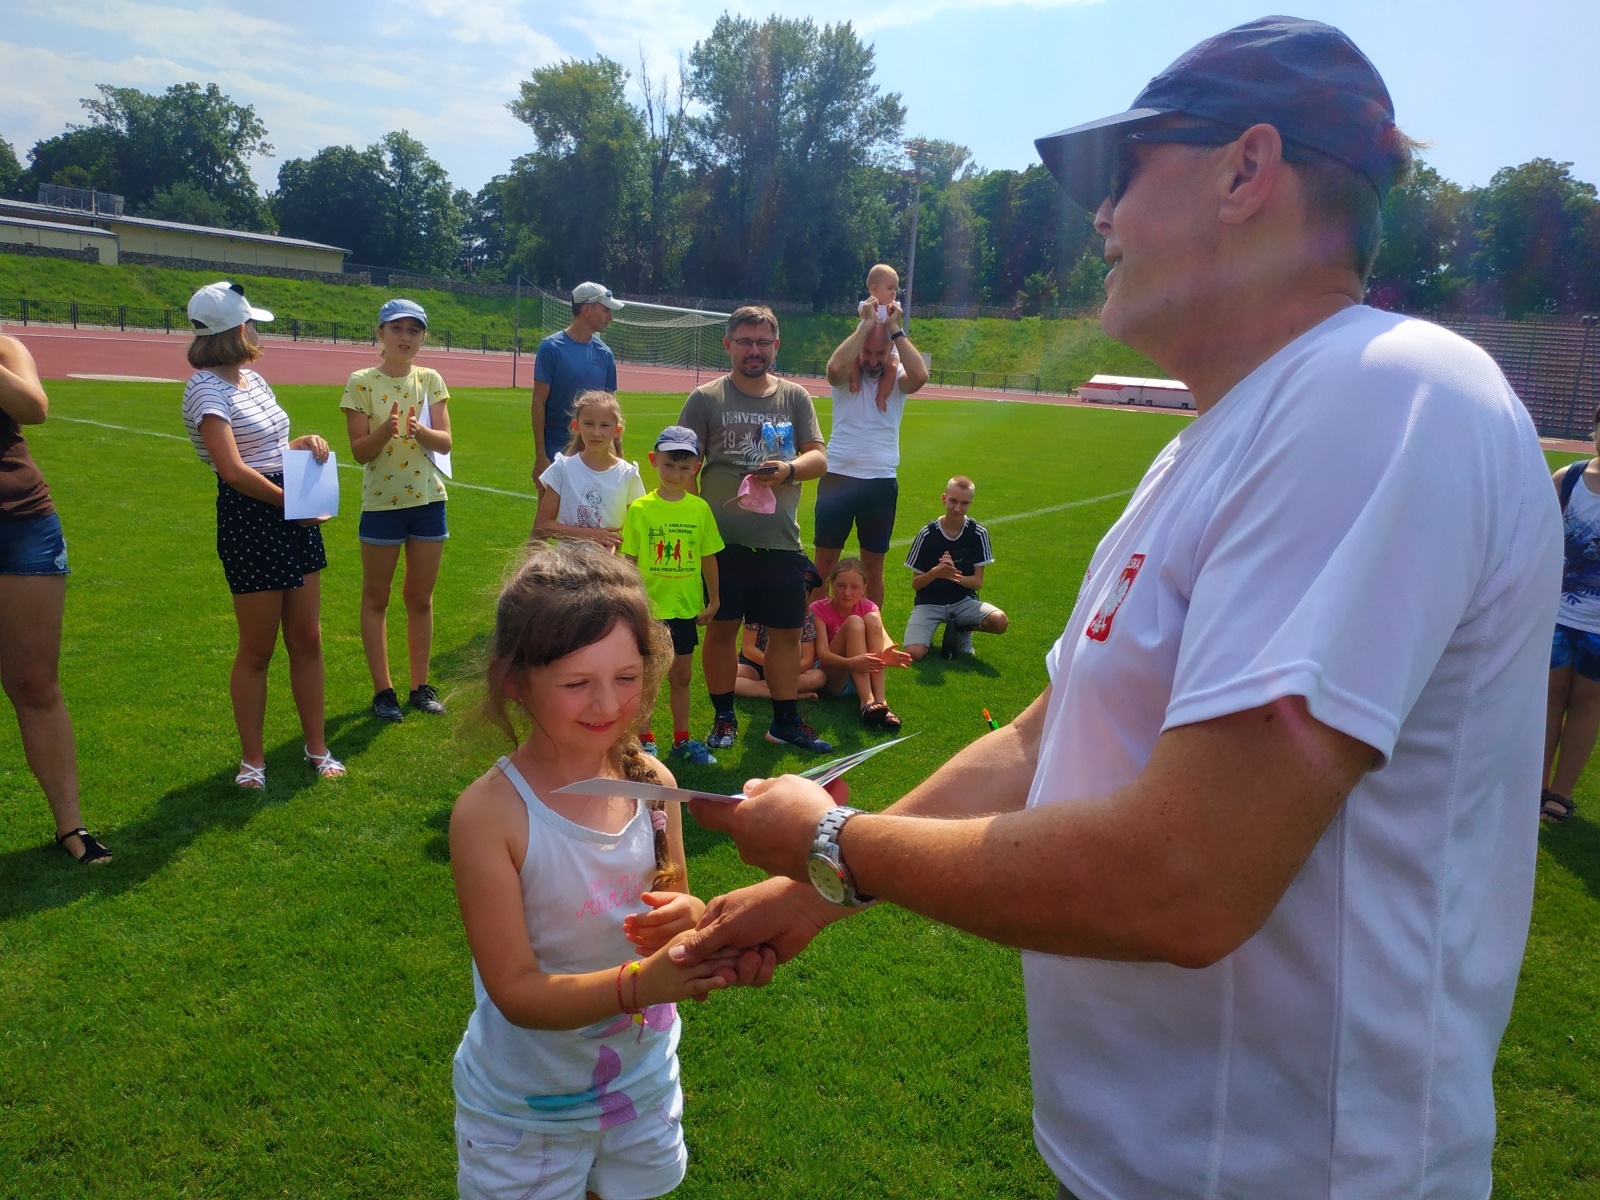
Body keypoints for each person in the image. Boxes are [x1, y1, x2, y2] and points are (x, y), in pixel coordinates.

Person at [672, 18, 1562, 1200]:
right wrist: (812, 893)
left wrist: (834, 840)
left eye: (1120, 177)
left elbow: (1188, 874)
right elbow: (1047, 734)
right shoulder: (1209, 445)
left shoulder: (1386, 392)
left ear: (1246, 169)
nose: (1098, 220)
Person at [448, 541, 734, 1200]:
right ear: (515, 683)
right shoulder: (491, 816)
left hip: (640, 1084)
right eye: (577, 683)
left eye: (627, 677)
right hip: (526, 1111)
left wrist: (689, 921)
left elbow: (674, 904)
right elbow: (517, 992)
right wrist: (643, 983)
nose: (608, 703)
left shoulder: (654, 783)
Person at [180, 281, 346, 788]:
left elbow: (272, 449)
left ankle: (317, 748)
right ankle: (253, 760)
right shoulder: (205, 388)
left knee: (308, 640)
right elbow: (231, 468)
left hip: (286, 508)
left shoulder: (254, 381)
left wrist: (305, 443)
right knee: (258, 648)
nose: (256, 331)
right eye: (251, 323)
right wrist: (289, 504)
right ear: (235, 330)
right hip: (252, 517)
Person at [678, 306, 832, 754]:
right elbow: (685, 464)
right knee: (722, 631)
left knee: (785, 634)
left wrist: (788, 469)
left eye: (763, 342)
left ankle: (785, 722)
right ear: (727, 345)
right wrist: (690, 520)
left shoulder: (795, 397)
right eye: (745, 341)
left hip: (781, 542)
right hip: (720, 545)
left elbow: (818, 458)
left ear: (776, 346)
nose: (754, 350)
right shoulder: (705, 398)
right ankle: (724, 719)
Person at [0, 331, 110, 864]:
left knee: (36, 685)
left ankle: (72, 828)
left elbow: (34, 407)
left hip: (21, 522)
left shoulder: (5, 347)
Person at [341, 298, 453, 724]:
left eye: (414, 330)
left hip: (428, 503)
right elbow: (357, 453)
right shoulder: (361, 382)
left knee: (420, 598)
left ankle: (420, 687)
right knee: (376, 598)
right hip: (382, 506)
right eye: (397, 328)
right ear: (380, 333)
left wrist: (420, 429)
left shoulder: (430, 379)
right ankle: (383, 690)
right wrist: (385, 431)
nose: (406, 337)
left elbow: (445, 442)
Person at [813, 290, 929, 606]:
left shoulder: (897, 381)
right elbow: (833, 369)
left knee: (873, 567)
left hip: (879, 481)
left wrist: (895, 329)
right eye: (867, 353)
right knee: (822, 564)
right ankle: (809, 633)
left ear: (891, 349)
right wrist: (865, 326)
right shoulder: (844, 378)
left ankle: (871, 631)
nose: (873, 361)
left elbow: (920, 375)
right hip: (837, 476)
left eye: (881, 353)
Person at [621, 425, 724, 765]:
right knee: (648, 676)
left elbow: (708, 556)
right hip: (649, 609)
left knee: (681, 675)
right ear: (653, 461)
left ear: (696, 467)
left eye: (684, 467)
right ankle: (645, 740)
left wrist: (714, 600)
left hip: (683, 609)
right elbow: (630, 559)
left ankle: (682, 741)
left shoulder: (699, 509)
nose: (676, 474)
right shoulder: (640, 509)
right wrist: (629, 600)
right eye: (669, 465)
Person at [1542, 426, 1600, 823]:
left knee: (1586, 705)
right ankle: (1535, 785)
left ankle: (1560, 795)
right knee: (1547, 701)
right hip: (1556, 615)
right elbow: (1537, 540)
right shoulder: (1569, 479)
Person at [902, 476, 1008, 660]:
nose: (957, 508)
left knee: (999, 622)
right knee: (914, 653)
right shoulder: (927, 534)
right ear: (944, 498)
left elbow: (977, 583)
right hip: (929, 603)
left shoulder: (978, 533)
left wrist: (952, 575)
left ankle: (962, 628)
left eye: (964, 503)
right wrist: (937, 572)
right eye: (953, 501)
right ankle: (932, 632)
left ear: (971, 504)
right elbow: (916, 584)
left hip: (962, 602)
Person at [532, 282, 622, 494]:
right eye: (606, 310)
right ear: (587, 309)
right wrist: (541, 456)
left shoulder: (605, 354)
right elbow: (538, 403)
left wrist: (618, 451)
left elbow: (612, 410)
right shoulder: (551, 348)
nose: (610, 317)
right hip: (556, 449)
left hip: (595, 452)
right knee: (548, 519)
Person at [534, 391, 645, 548]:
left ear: (617, 431)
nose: (596, 433)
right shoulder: (562, 469)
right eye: (589, 424)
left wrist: (617, 544)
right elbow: (544, 525)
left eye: (605, 425)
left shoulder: (628, 475)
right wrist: (591, 535)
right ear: (576, 427)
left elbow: (638, 526)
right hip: (569, 565)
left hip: (610, 567)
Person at [809, 558, 910, 729]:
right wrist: (851, 663)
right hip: (833, 675)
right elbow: (823, 654)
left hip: (861, 674)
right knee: (855, 622)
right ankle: (867, 702)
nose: (847, 593)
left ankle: (881, 702)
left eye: (854, 587)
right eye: (841, 585)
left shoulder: (869, 607)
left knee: (870, 618)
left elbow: (882, 634)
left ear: (864, 588)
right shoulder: (818, 608)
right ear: (831, 584)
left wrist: (887, 651)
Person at [736, 618, 825, 702]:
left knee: (819, 677)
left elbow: (807, 661)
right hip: (755, 665)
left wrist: (785, 672)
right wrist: (774, 666)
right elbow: (748, 649)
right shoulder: (757, 608)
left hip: (788, 670)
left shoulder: (803, 615)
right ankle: (788, 695)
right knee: (728, 677)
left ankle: (756, 688)